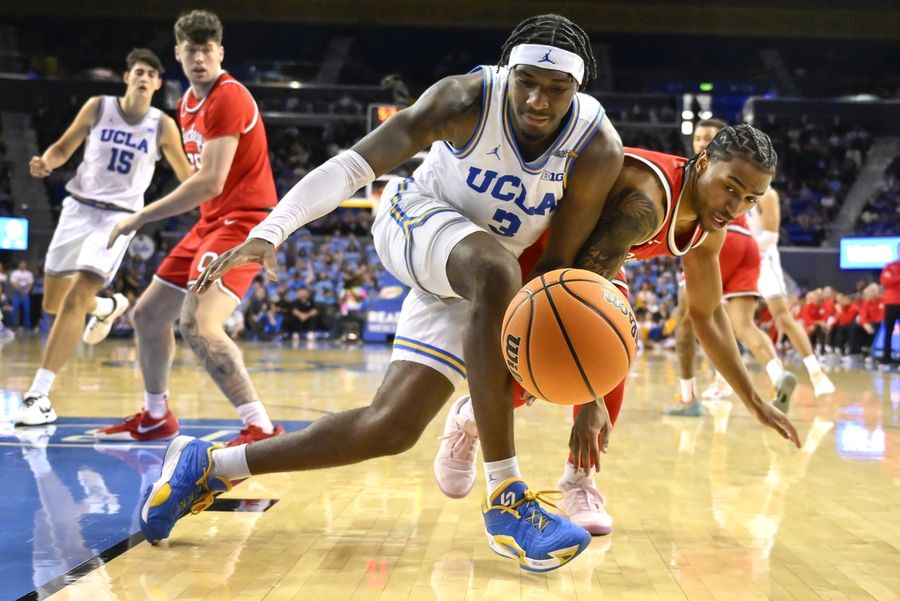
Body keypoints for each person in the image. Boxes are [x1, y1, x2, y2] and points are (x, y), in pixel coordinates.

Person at [139, 14, 625, 572]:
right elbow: (352, 166)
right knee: (494, 270)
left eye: (556, 89)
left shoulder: (595, 147)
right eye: (527, 82)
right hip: (413, 218)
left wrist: (582, 386)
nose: (538, 100)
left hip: (475, 271)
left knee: (390, 427)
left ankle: (211, 467)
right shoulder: (465, 98)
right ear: (507, 71)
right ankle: (507, 498)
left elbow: (561, 268)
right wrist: (269, 231)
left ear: (578, 88)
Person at [432, 124, 803, 536]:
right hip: (535, 241)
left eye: (750, 199)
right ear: (702, 164)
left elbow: (709, 314)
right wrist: (589, 401)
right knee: (545, 369)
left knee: (616, 344)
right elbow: (574, 299)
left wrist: (754, 401)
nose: (736, 207)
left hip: (594, 254)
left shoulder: (709, 228)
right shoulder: (644, 202)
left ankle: (579, 480)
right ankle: (469, 418)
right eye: (730, 188)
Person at [99, 10, 283, 444]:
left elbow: (212, 179)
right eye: (191, 49)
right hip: (211, 222)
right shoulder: (185, 105)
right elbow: (199, 180)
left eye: (207, 49)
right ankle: (156, 415)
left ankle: (259, 427)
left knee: (200, 323)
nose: (199, 57)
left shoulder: (229, 97)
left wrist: (141, 215)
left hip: (244, 224)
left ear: (220, 52)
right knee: (147, 315)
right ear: (178, 54)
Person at [14, 49, 193, 426]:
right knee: (54, 303)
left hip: (119, 219)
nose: (144, 78)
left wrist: (208, 183)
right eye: (139, 72)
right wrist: (47, 161)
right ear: (127, 77)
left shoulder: (162, 125)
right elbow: (64, 147)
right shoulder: (99, 107)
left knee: (75, 296)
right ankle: (106, 308)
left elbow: (185, 174)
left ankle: (38, 396)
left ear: (158, 84)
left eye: (151, 74)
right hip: (78, 208)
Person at [668, 119, 799, 417]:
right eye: (698, 138)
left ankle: (688, 397)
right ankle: (777, 376)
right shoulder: (745, 178)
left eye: (707, 138)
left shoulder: (701, 174)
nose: (701, 143)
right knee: (741, 325)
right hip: (748, 245)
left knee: (690, 320)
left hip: (717, 240)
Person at [745, 170, 835, 396]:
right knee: (733, 322)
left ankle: (817, 374)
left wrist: (741, 245)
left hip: (763, 260)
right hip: (739, 262)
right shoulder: (730, 191)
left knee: (783, 317)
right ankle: (722, 381)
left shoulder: (767, 194)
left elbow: (771, 237)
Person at [878, 243, 900, 368]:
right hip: (891, 303)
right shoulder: (889, 266)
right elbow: (885, 281)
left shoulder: (890, 269)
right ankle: (887, 357)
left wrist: (894, 279)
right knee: (888, 331)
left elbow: (891, 281)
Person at [9, 260, 33, 329]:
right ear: (19, 265)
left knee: (27, 310)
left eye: (24, 265)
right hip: (17, 293)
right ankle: (13, 326)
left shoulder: (29, 273)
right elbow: (13, 283)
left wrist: (26, 291)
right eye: (21, 264)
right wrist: (20, 290)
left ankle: (26, 326)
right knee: (14, 310)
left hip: (26, 293)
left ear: (26, 266)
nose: (23, 266)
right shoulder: (15, 273)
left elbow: (30, 283)